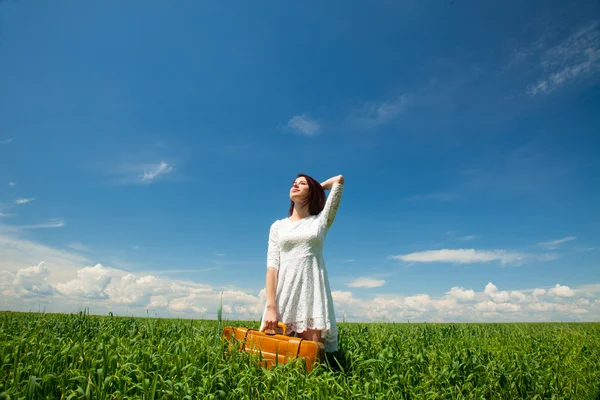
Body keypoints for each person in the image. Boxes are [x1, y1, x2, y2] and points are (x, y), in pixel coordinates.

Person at [260, 173, 344, 353]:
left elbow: (338, 180)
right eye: (294, 183)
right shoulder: (277, 227)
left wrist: (316, 188)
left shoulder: (320, 221)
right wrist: (270, 307)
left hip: (311, 297)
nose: (295, 185)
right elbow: (272, 267)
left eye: (302, 183)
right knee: (273, 358)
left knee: (311, 359)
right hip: (282, 297)